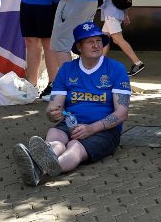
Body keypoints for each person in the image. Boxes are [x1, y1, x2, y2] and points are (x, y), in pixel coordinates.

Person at [12, 22, 131, 186]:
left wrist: (91, 128)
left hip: (104, 129)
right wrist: (52, 113)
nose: (96, 45)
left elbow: (122, 113)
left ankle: (39, 168)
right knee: (55, 137)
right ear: (79, 47)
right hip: (71, 123)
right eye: (90, 42)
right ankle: (40, 162)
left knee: (75, 146)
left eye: (98, 40)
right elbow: (54, 107)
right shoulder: (67, 69)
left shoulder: (116, 69)